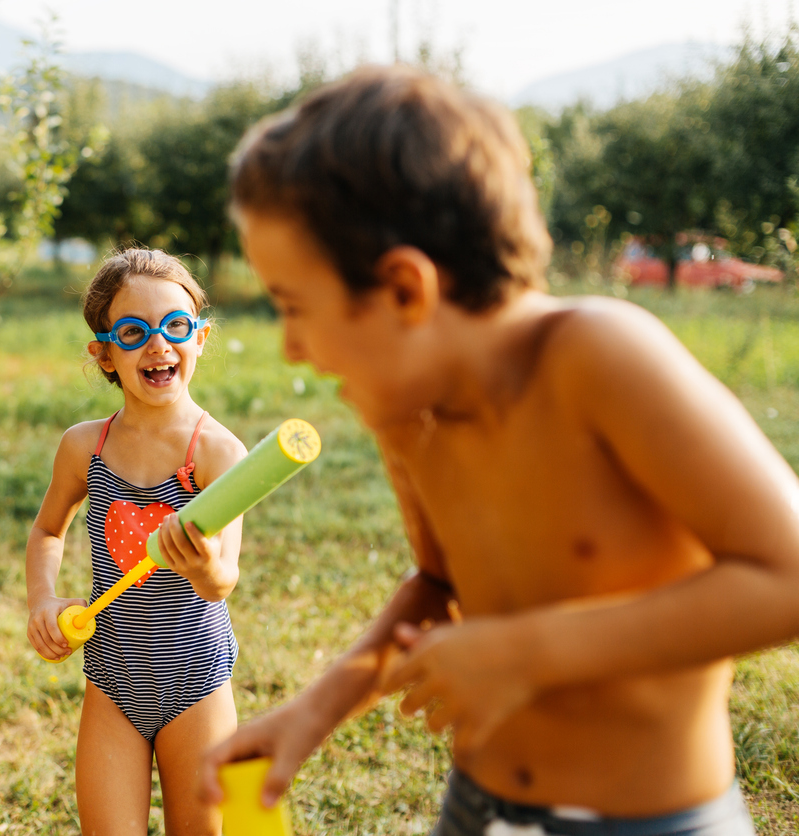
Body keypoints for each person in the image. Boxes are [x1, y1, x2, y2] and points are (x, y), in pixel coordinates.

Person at [203, 65, 799, 836]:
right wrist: (315, 710)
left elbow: (787, 574)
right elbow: (438, 582)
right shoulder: (408, 408)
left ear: (406, 290)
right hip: (476, 806)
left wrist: (530, 652)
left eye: (293, 307)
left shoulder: (600, 356)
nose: (290, 348)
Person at [27, 248, 249, 835]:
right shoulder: (85, 448)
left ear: (200, 337)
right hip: (112, 680)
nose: (158, 345)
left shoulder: (218, 453)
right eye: (133, 332)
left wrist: (202, 565)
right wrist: (42, 598)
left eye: (175, 326)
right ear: (104, 353)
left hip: (197, 681)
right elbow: (48, 530)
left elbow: (223, 580)